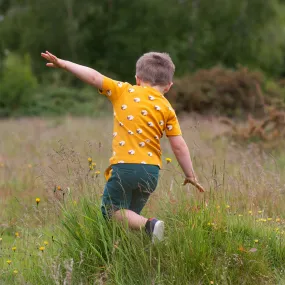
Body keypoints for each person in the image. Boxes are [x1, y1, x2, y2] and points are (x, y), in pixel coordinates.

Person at [41, 51, 205, 243]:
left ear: (137, 79)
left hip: (125, 167)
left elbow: (94, 77)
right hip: (151, 172)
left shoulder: (124, 90)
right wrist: (190, 175)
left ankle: (150, 225)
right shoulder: (167, 108)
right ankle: (133, 247)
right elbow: (179, 146)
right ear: (169, 86)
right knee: (127, 217)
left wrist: (64, 63)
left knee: (111, 211)